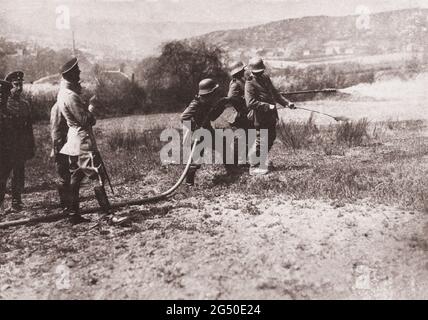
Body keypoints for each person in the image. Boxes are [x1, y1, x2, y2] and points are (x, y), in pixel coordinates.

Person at [56, 57, 110, 224]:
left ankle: (73, 214)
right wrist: (92, 107)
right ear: (70, 75)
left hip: (73, 141)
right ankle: (107, 213)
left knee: (76, 176)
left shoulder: (62, 93)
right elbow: (86, 120)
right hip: (82, 140)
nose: (79, 74)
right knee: (96, 175)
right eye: (77, 72)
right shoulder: (71, 96)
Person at [244, 57, 296, 176]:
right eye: (257, 72)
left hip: (271, 116)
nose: (259, 73)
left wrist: (287, 103)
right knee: (261, 140)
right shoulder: (249, 83)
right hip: (260, 117)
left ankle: (261, 161)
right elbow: (250, 103)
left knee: (271, 137)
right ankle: (253, 165)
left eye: (261, 71)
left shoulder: (265, 78)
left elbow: (275, 93)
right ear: (251, 71)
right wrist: (268, 106)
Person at [181, 78, 232, 186]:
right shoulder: (196, 103)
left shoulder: (208, 102)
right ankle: (189, 183)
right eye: (213, 93)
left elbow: (212, 117)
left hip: (208, 131)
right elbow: (184, 117)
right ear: (209, 93)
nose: (215, 95)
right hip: (198, 135)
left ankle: (232, 172)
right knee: (196, 159)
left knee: (223, 146)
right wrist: (195, 128)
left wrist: (221, 105)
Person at [0, 72, 35, 213]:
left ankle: (16, 201)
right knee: (3, 175)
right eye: (16, 85)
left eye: (21, 84)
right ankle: (1, 203)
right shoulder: (4, 104)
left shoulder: (25, 104)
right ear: (10, 87)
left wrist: (30, 145)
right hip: (6, 145)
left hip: (20, 145)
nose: (19, 88)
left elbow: (28, 127)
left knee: (18, 174)